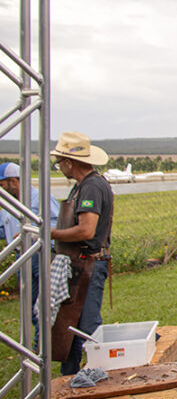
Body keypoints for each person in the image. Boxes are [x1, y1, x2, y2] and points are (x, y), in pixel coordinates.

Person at [49, 133, 114, 375]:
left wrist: (51, 234)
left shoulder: (91, 187)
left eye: (60, 162)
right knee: (70, 324)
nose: (59, 167)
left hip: (88, 265)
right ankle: (70, 376)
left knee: (86, 326)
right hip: (79, 264)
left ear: (69, 162)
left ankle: (98, 373)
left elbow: (86, 229)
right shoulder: (83, 186)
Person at [0, 162, 60, 347]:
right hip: (21, 256)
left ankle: (46, 343)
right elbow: (4, 229)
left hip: (40, 255)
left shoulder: (39, 198)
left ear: (13, 181)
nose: (1, 191)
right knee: (29, 302)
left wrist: (32, 231)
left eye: (2, 186)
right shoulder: (8, 205)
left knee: (44, 302)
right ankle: (38, 342)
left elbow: (59, 223)